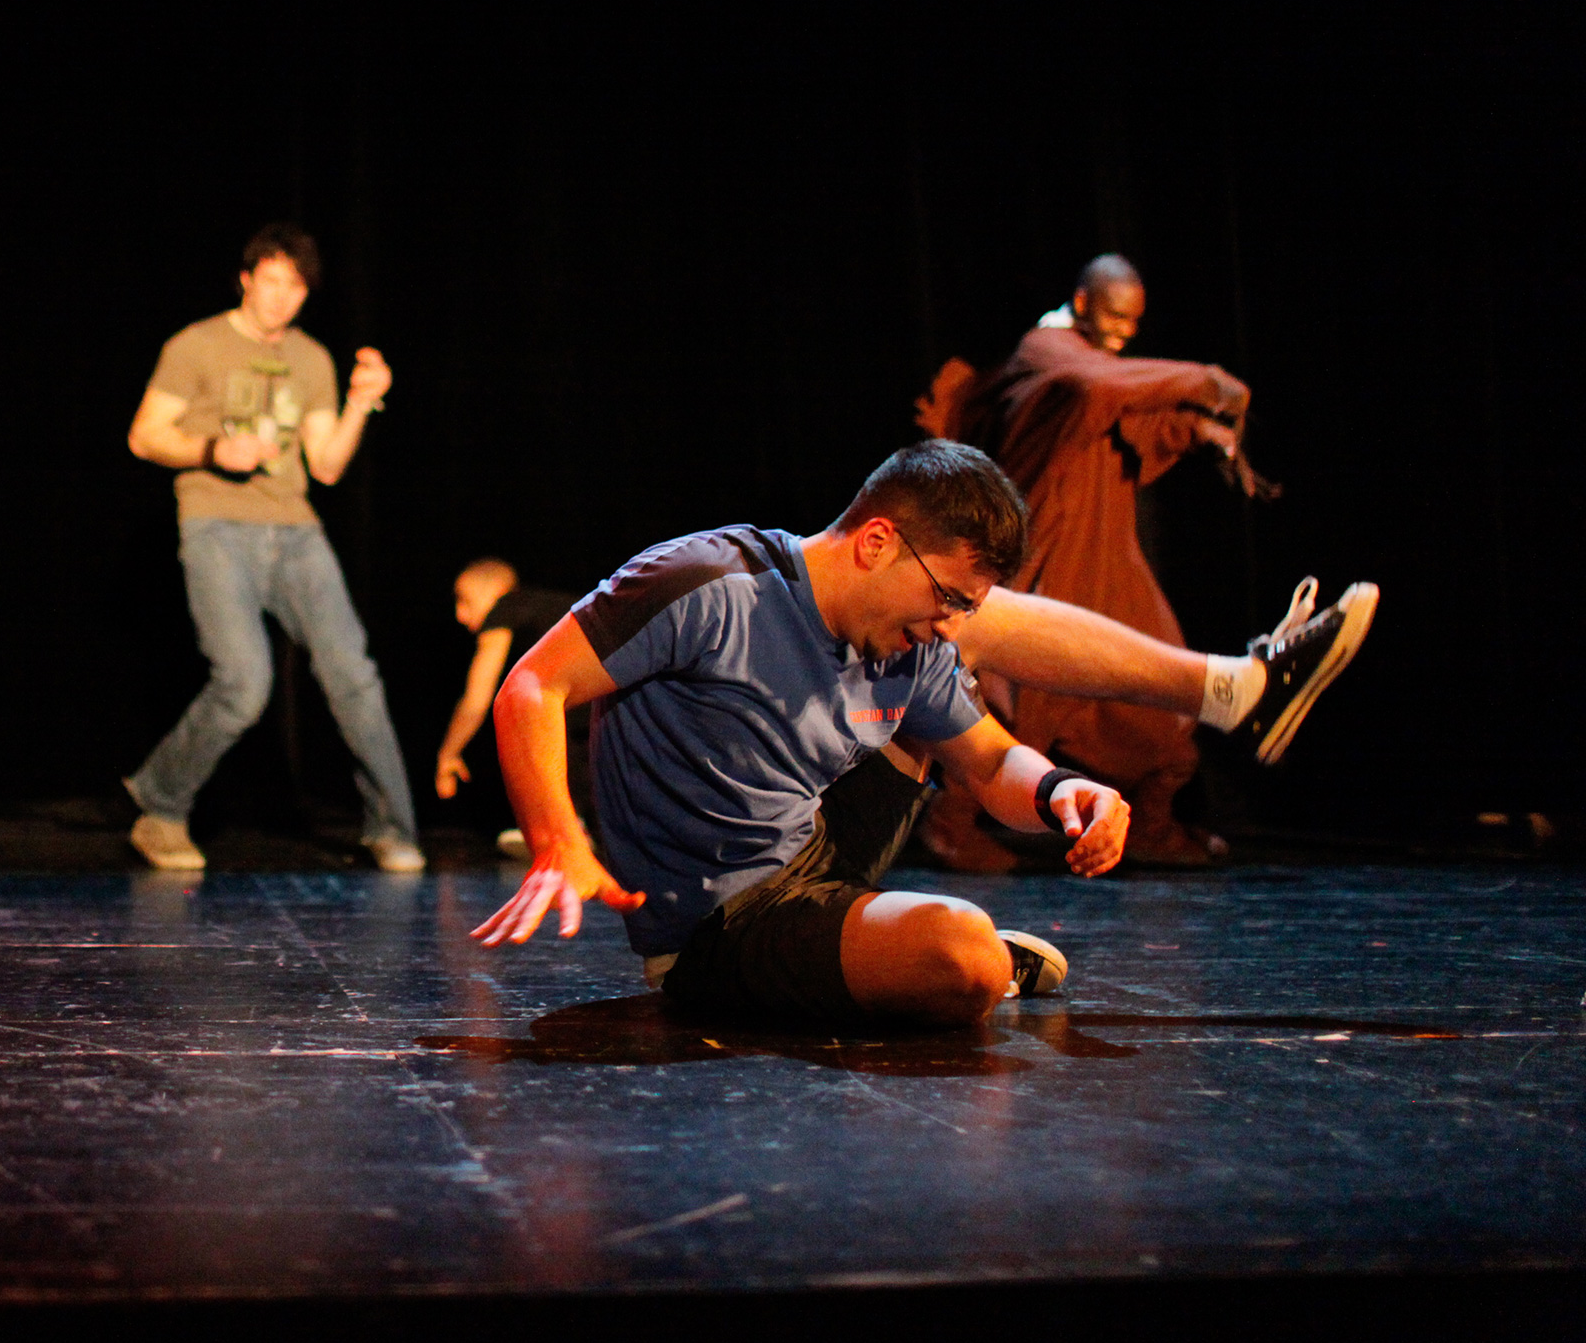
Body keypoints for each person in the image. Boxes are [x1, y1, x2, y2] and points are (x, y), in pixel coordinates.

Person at [472, 440, 1373, 1029]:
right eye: (945, 596)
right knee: (964, 957)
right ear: (875, 542)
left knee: (947, 685)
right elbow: (534, 684)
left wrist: (1064, 791)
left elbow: (990, 762)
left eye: (962, 607)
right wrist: (558, 841)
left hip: (822, 851)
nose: (948, 623)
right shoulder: (711, 584)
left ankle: (1228, 689)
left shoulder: (908, 642)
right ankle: (945, 953)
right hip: (720, 925)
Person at [916, 253, 1375, 870]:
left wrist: (1200, 431)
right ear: (1082, 302)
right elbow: (1098, 389)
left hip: (1105, 550)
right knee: (1024, 696)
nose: (1122, 331)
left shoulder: (1097, 363)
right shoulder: (1046, 347)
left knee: (1162, 695)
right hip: (1049, 547)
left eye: (1132, 321)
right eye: (1113, 316)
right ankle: (949, 823)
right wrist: (1205, 381)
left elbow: (1132, 420)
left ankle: (1152, 821)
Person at [122, 223, 423, 873]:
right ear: (246, 279)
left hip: (295, 529)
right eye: (273, 280)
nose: (283, 296)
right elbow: (144, 435)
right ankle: (161, 808)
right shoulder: (196, 345)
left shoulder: (311, 359)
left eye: (297, 286)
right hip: (217, 524)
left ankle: (393, 829)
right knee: (244, 681)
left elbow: (327, 466)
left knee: (354, 676)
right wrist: (212, 449)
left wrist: (360, 404)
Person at [433, 559, 584, 860]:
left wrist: (448, 754)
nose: (459, 615)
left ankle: (563, 830)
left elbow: (477, 698)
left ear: (497, 590)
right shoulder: (551, 607)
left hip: (591, 692)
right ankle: (575, 826)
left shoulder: (505, 608)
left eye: (464, 600)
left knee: (524, 712)